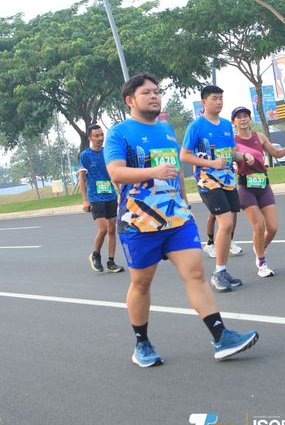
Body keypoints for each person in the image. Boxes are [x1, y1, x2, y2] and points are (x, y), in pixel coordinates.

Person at [104, 73, 258, 367]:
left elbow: (174, 171)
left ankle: (221, 337)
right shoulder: (120, 133)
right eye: (147, 92)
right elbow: (116, 173)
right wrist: (153, 172)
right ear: (130, 100)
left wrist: (185, 203)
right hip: (140, 222)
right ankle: (142, 344)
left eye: (157, 91)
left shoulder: (166, 130)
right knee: (141, 284)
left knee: (196, 274)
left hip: (176, 218)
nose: (154, 96)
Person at [181, 85, 254, 293]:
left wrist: (244, 156)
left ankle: (223, 270)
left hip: (228, 180)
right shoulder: (196, 126)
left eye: (221, 98)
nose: (219, 102)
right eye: (215, 98)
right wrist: (211, 164)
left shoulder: (225, 125)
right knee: (226, 222)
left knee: (231, 224)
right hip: (208, 182)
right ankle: (218, 273)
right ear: (204, 102)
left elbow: (231, 153)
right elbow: (184, 155)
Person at [231, 106, 285, 278]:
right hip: (245, 187)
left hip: (263, 184)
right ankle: (261, 262)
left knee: (272, 227)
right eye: (239, 117)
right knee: (259, 226)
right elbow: (230, 157)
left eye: (245, 116)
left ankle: (259, 247)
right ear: (234, 122)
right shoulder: (232, 140)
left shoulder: (259, 137)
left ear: (250, 119)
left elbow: (276, 153)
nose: (243, 119)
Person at [78, 124, 124, 274]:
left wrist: (121, 191)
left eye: (102, 134)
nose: (100, 138)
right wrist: (85, 200)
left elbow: (114, 174)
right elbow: (82, 179)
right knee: (103, 228)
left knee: (112, 229)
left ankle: (111, 262)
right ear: (90, 138)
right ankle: (95, 255)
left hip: (110, 195)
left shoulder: (107, 153)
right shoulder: (85, 155)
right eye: (96, 136)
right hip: (95, 197)